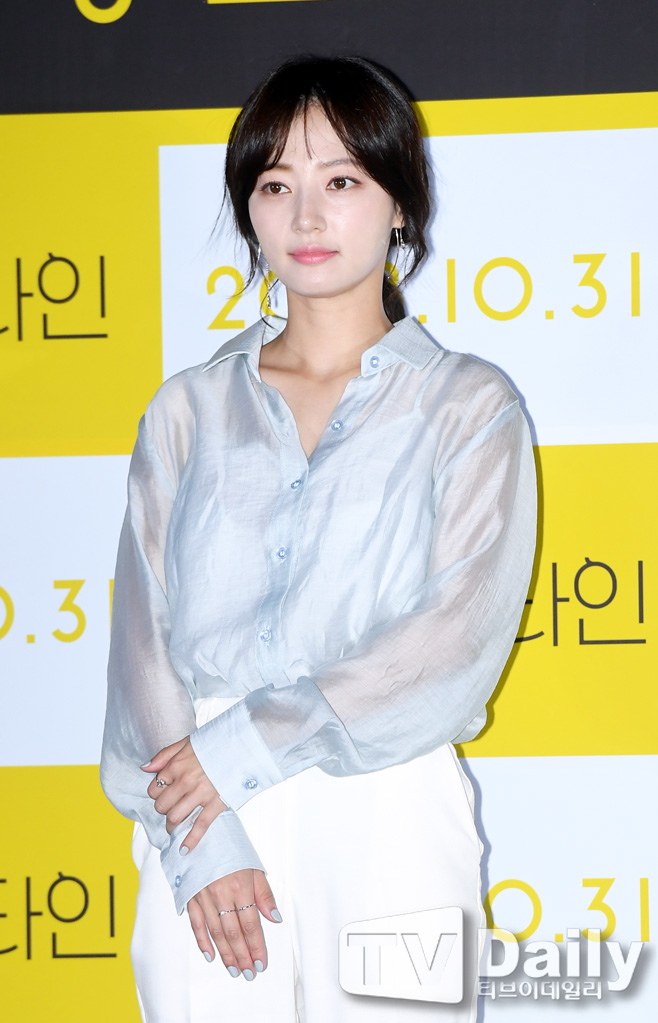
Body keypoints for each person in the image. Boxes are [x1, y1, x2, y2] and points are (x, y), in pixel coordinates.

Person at [100, 55, 537, 1023]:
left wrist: (244, 745)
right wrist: (198, 831)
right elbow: (140, 647)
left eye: (341, 181)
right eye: (274, 185)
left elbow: (455, 640)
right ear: (248, 211)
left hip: (384, 796)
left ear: (400, 205)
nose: (306, 216)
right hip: (200, 809)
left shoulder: (468, 408)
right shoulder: (186, 412)